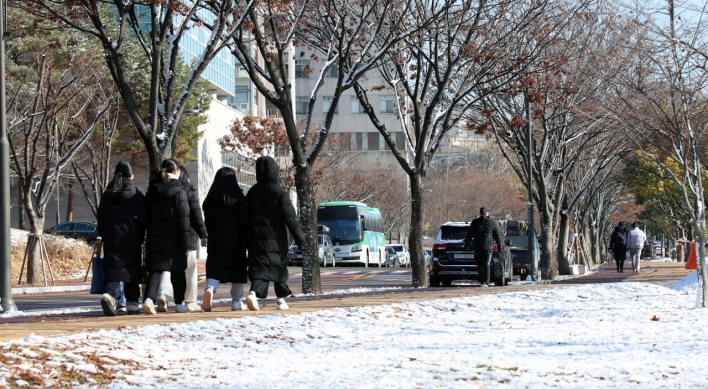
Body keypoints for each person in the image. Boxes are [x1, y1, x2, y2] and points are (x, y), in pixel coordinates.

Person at [245, 156, 305, 311]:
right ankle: (280, 300)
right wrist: (301, 241)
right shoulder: (279, 191)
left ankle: (253, 294)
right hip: (276, 238)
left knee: (260, 268)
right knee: (278, 268)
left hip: (256, 237)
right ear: (275, 171)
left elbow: (245, 216)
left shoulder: (252, 192)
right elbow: (291, 218)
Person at [96, 161, 147, 316]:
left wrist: (104, 233)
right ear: (131, 175)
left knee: (113, 267)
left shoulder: (108, 193)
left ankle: (109, 295)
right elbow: (144, 218)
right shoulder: (138, 193)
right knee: (131, 268)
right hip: (132, 236)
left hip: (112, 236)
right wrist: (143, 235)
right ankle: (132, 303)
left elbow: (101, 217)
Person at [156, 166, 208, 312]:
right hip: (188, 236)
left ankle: (163, 295)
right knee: (190, 270)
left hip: (168, 236)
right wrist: (203, 233)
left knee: (167, 268)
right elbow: (196, 215)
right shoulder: (189, 190)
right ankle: (190, 301)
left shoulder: (164, 189)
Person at [143, 159, 191, 314]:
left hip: (155, 236)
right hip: (175, 238)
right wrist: (186, 241)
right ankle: (179, 303)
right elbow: (184, 218)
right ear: (176, 171)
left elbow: (144, 216)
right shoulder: (179, 191)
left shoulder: (152, 191)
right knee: (177, 271)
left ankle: (149, 300)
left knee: (155, 271)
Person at [201, 167, 249, 312]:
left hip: (216, 241)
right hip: (236, 241)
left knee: (215, 269)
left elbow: (207, 221)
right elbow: (245, 220)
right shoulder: (238, 197)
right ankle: (236, 302)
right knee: (238, 272)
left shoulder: (210, 200)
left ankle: (210, 288)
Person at [464, 207, 503, 287]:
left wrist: (500, 246)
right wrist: (467, 244)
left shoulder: (492, 223)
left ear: (488, 214)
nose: (483, 215)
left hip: (488, 248)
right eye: (482, 214)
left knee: (486, 264)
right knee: (480, 265)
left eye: (485, 214)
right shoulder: (475, 223)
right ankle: (482, 281)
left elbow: (497, 236)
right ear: (480, 214)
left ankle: (486, 282)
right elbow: (469, 234)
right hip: (478, 247)